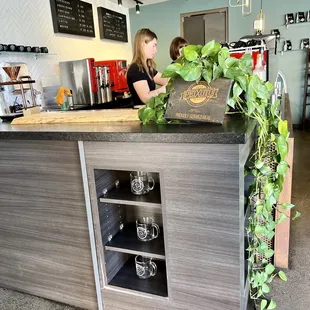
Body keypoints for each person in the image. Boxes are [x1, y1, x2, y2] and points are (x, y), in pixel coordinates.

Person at [127, 29, 169, 106]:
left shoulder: (147, 68)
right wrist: (164, 89)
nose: (156, 50)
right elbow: (146, 98)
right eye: (154, 45)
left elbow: (166, 80)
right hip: (140, 114)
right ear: (143, 44)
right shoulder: (136, 68)